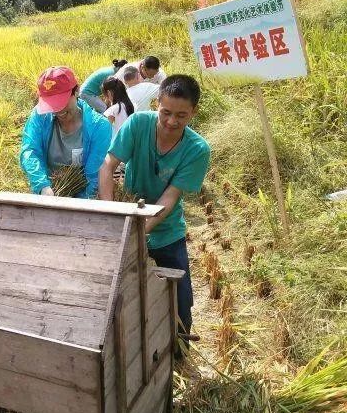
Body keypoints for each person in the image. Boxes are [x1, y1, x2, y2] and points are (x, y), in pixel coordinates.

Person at [98, 74, 210, 341]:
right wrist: (112, 213)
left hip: (166, 232)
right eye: (166, 112)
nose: (172, 121)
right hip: (127, 223)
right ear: (156, 103)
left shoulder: (197, 149)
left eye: (181, 116)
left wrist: (138, 231)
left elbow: (169, 198)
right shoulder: (138, 124)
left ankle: (180, 351)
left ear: (193, 112)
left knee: (179, 302)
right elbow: (108, 165)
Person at [20, 66, 112, 198]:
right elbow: (30, 151)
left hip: (82, 193)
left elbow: (93, 175)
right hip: (49, 190)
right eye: (52, 104)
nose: (57, 110)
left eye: (61, 103)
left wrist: (75, 204)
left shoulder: (99, 127)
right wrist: (43, 186)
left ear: (76, 91)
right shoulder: (40, 116)